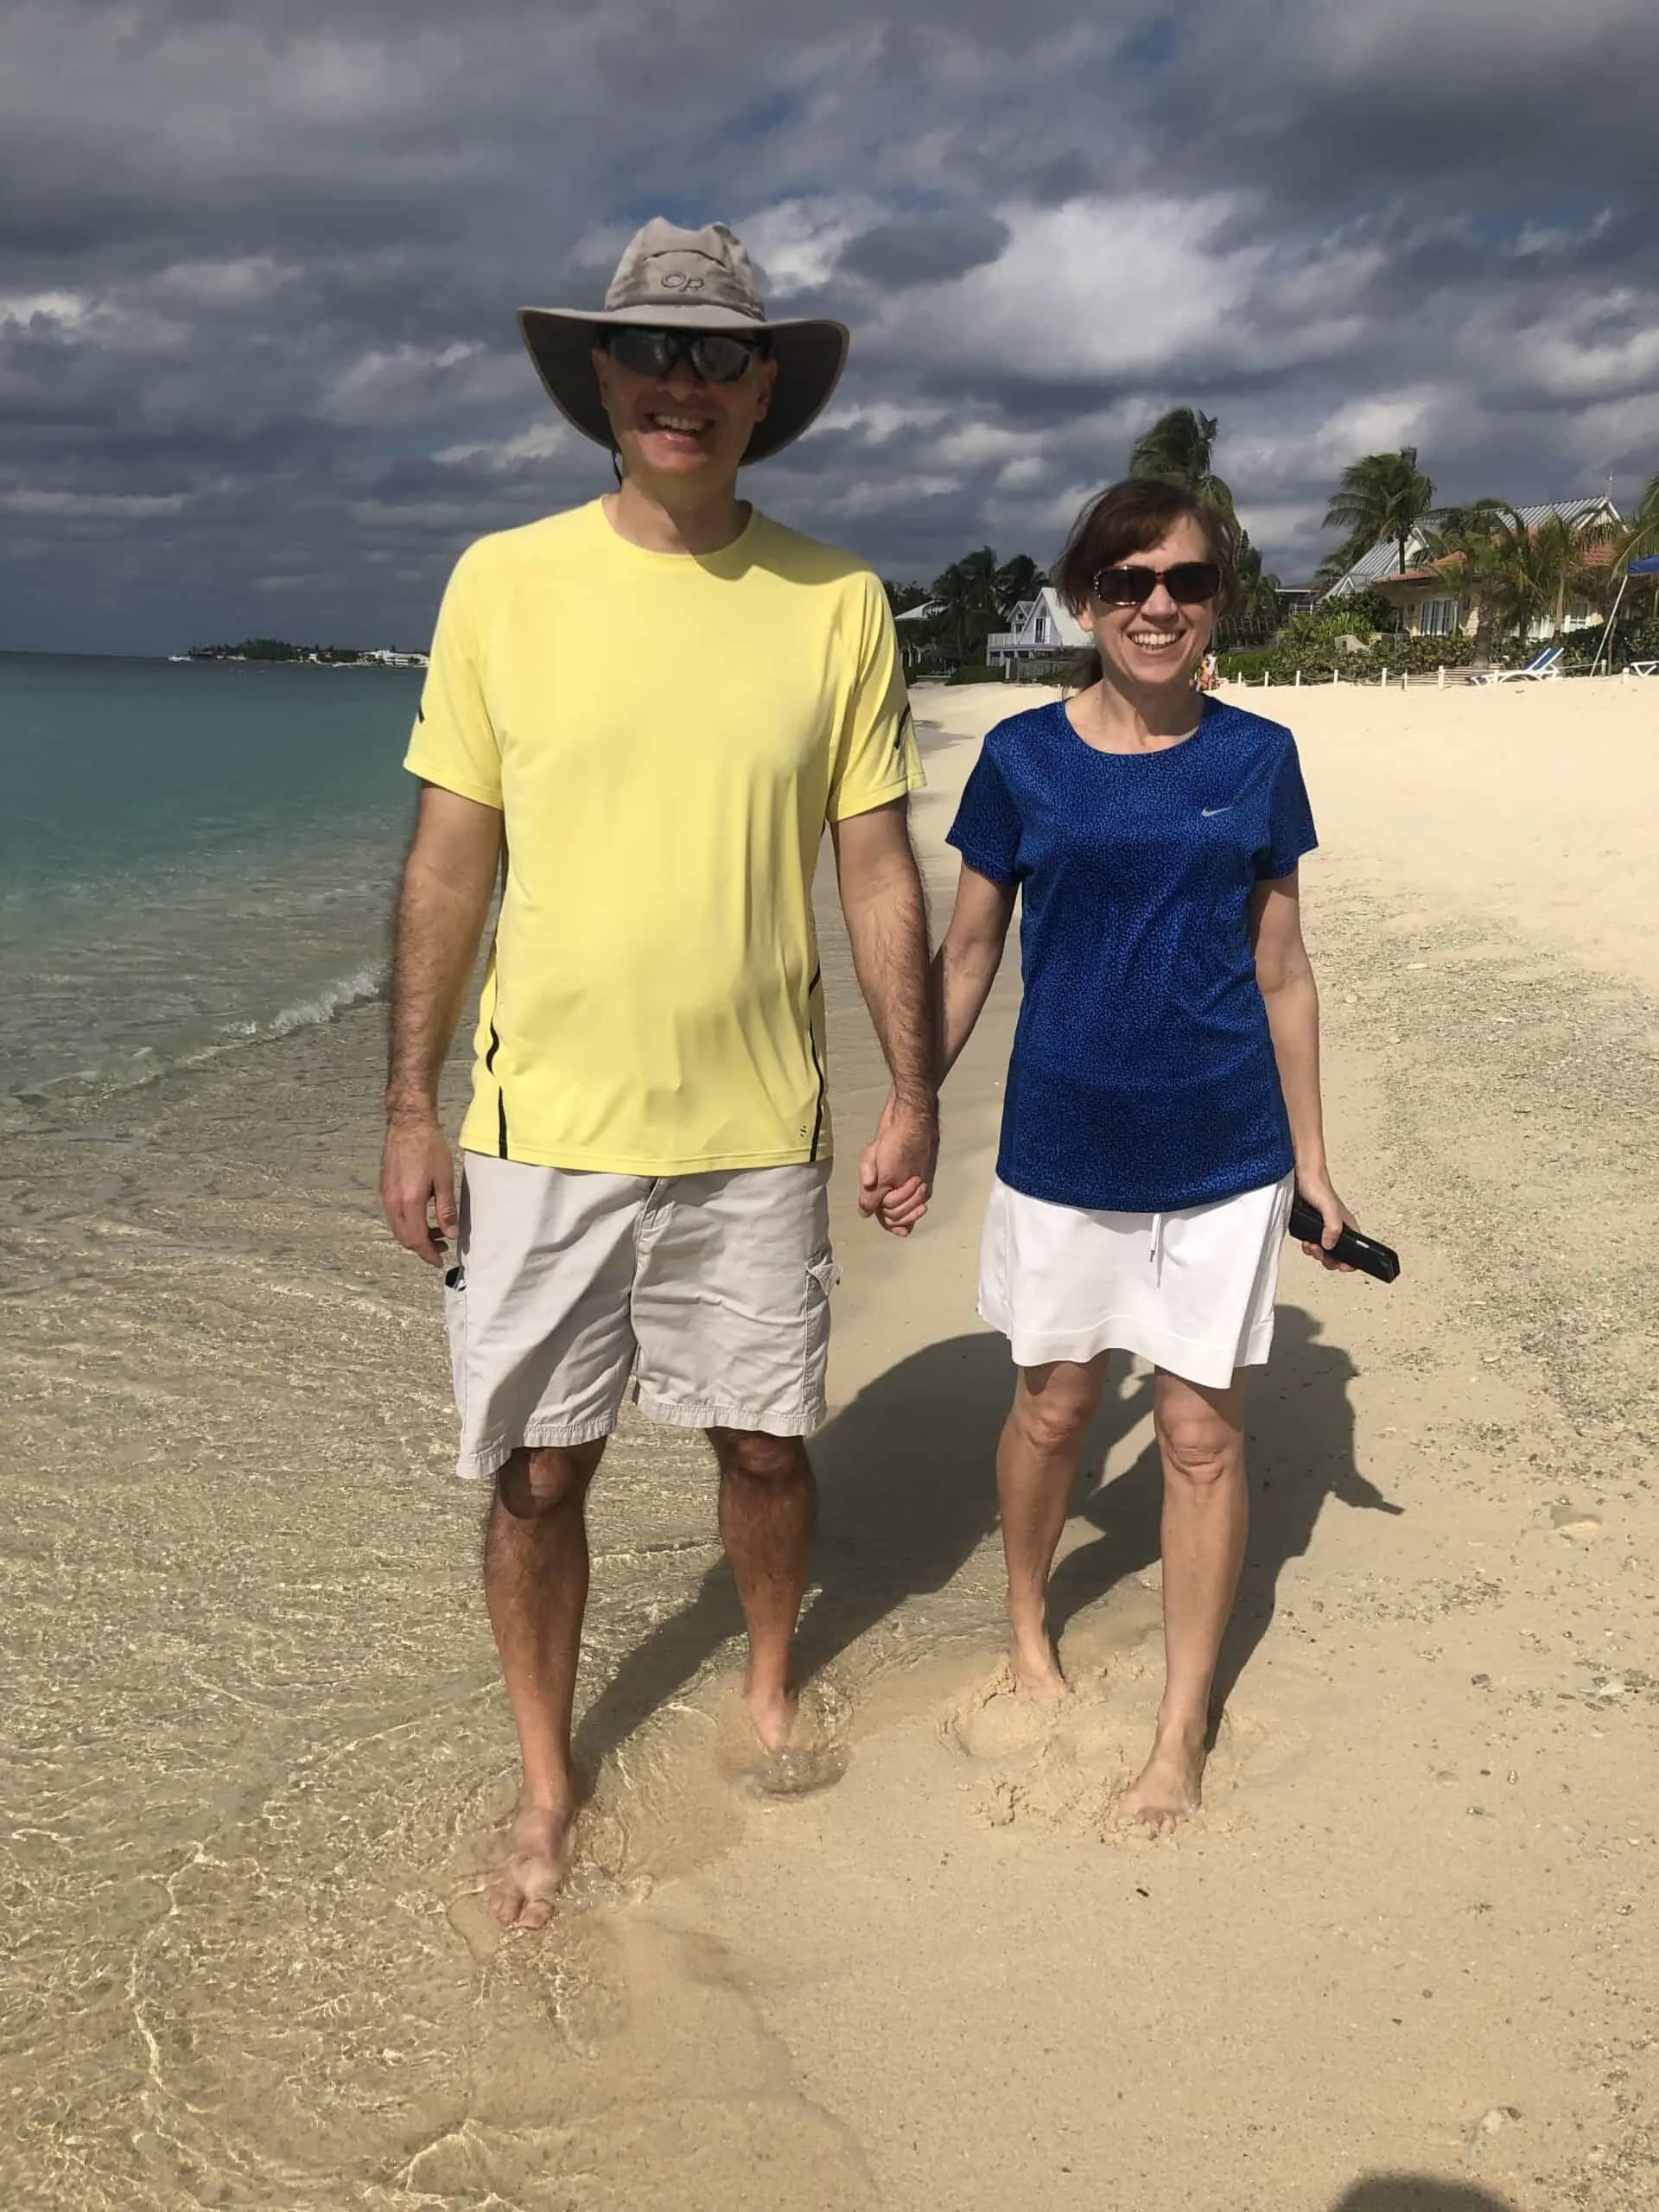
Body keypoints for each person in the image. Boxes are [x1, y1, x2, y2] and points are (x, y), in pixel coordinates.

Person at [380, 219, 937, 1929]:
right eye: (651, 355)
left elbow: (875, 867)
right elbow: (449, 862)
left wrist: (914, 1087)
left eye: (715, 356)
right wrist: (409, 1099)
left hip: (755, 1126)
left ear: (764, 386)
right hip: (538, 1127)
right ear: (600, 380)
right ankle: (552, 1778)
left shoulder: (838, 599)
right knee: (538, 1471)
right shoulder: (501, 580)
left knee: (765, 1445)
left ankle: (768, 1674)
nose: (680, 384)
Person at [873, 477, 1352, 1831]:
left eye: (1186, 583)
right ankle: (1028, 1621)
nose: (1157, 605)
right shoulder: (1024, 759)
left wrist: (1314, 1166)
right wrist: (914, 1107)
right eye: (1129, 582)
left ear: (1217, 605)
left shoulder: (1258, 759)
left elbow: (1284, 970)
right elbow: (965, 953)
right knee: (1055, 1409)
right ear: (1085, 599)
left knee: (1200, 1439)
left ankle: (1178, 1730)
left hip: (1224, 1150)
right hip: (1061, 1146)